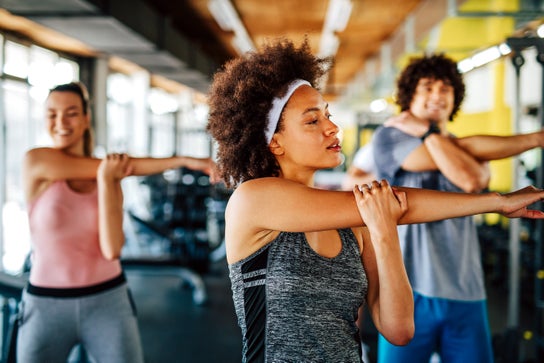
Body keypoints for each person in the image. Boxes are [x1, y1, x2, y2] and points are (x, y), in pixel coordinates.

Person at [205, 38, 544, 363]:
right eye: (313, 120)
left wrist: (384, 232)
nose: (332, 128)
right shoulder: (253, 199)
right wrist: (495, 202)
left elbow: (398, 330)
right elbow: (400, 203)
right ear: (275, 142)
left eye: (327, 114)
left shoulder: (355, 221)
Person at [18, 82, 217, 363]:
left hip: (107, 301)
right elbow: (128, 167)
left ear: (87, 118)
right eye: (52, 114)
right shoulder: (36, 162)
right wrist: (184, 160)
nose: (61, 122)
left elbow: (112, 249)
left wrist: (107, 181)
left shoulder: (109, 176)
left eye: (71, 113)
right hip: (45, 303)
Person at [371, 53, 544, 363]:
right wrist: (430, 133)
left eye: (445, 88)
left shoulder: (454, 144)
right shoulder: (388, 137)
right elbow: (467, 174)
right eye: (427, 88)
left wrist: (428, 131)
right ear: (409, 95)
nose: (437, 95)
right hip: (409, 289)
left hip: (466, 288)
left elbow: (476, 179)